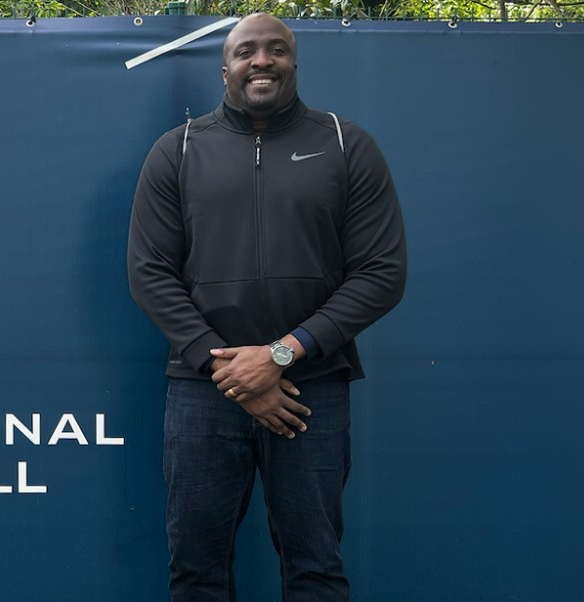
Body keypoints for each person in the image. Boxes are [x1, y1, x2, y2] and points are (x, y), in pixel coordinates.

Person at [126, 13, 407, 602]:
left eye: (277, 50)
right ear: (223, 66)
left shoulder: (344, 145)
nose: (262, 60)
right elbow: (149, 273)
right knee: (196, 571)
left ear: (295, 64)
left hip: (311, 392)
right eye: (246, 50)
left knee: (316, 570)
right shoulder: (176, 150)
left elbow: (382, 273)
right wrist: (227, 369)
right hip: (204, 393)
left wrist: (282, 354)